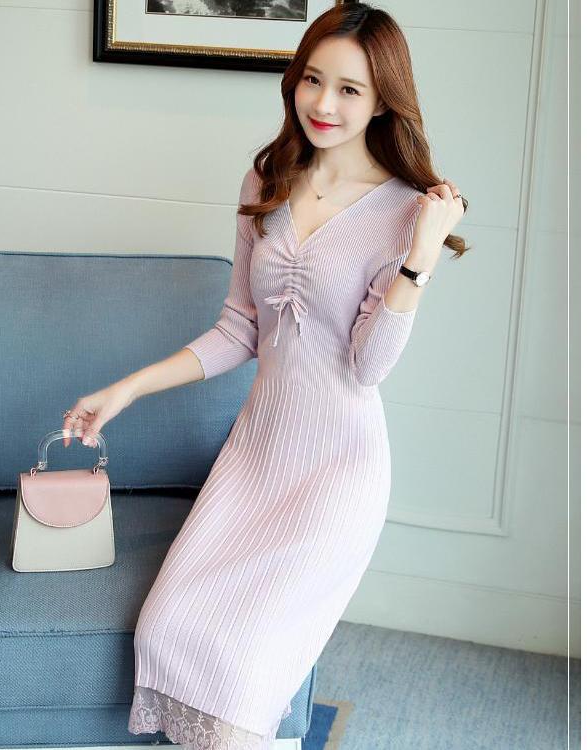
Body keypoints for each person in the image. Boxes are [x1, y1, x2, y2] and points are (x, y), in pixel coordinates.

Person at [63, 4, 467, 750]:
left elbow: (368, 365)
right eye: (313, 79)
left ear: (384, 100)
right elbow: (240, 328)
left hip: (337, 472)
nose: (323, 103)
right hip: (254, 458)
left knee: (245, 665)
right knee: (167, 627)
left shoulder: (407, 213)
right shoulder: (269, 176)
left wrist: (419, 259)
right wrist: (126, 390)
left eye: (349, 89)